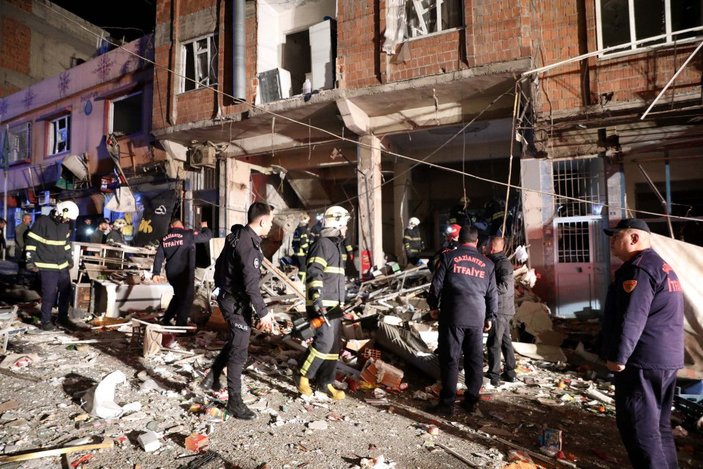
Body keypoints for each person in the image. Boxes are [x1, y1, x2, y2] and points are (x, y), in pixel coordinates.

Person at [601, 218, 684, 469]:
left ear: (634, 238)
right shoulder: (661, 265)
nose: (612, 243)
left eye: (617, 237)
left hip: (643, 362)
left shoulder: (638, 269)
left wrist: (619, 356)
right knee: (659, 427)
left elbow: (632, 316)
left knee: (639, 430)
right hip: (665, 359)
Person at [202, 202, 275, 420]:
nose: (271, 226)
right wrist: (263, 313)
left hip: (229, 296)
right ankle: (235, 402)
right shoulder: (248, 245)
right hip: (233, 300)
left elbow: (222, 268)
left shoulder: (237, 235)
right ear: (262, 221)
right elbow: (251, 285)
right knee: (239, 351)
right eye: (270, 222)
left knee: (238, 338)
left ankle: (212, 375)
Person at [427, 225, 497, 416]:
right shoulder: (488, 264)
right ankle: (471, 401)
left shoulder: (448, 257)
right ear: (477, 242)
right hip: (477, 317)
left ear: (458, 240)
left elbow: (436, 286)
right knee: (474, 359)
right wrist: (490, 316)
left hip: (453, 315)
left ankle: (447, 403)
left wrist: (433, 306)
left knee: (450, 358)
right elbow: (492, 295)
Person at [297, 205, 350, 400]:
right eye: (345, 224)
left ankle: (324, 383)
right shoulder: (322, 244)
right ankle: (303, 376)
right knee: (324, 343)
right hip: (323, 305)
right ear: (337, 223)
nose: (346, 228)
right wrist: (317, 300)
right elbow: (314, 272)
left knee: (333, 347)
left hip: (334, 305)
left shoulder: (336, 246)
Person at [25, 201, 79, 331]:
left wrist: (69, 258)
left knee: (66, 292)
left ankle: (62, 318)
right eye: (67, 217)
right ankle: (45, 322)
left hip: (62, 265)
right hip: (47, 265)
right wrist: (29, 260)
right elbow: (31, 243)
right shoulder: (42, 222)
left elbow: (65, 244)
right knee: (49, 295)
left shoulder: (65, 225)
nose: (68, 220)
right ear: (60, 212)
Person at [152, 219, 212, 326]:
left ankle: (166, 319)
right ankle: (181, 325)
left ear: (171, 226)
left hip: (171, 274)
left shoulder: (165, 239)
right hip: (185, 272)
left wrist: (156, 273)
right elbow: (206, 236)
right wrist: (205, 227)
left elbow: (159, 257)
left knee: (178, 296)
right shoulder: (188, 234)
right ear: (182, 226)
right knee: (187, 298)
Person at [485, 236, 516, 387]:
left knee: (494, 342)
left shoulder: (503, 264)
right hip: (504, 308)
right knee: (505, 341)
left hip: (501, 309)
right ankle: (510, 373)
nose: (484, 248)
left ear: (492, 248)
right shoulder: (498, 262)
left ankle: (494, 375)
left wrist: (487, 292)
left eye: (487, 246)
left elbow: (504, 287)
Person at [292, 213, 311, 282]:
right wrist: (308, 251)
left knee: (299, 269)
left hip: (296, 253)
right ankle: (300, 284)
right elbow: (303, 243)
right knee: (303, 269)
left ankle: (297, 283)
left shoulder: (297, 229)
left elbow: (293, 242)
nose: (308, 222)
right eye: (308, 220)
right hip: (302, 253)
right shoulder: (304, 230)